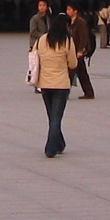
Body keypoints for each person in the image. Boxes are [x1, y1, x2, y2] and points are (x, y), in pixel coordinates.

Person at [34, 12, 78, 158]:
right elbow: (73, 63)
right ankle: (50, 148)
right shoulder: (67, 41)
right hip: (61, 84)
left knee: (52, 116)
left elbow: (35, 55)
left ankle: (60, 143)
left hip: (45, 83)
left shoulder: (42, 39)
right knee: (56, 118)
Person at [65, 1, 95, 99]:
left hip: (78, 51)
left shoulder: (80, 22)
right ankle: (89, 92)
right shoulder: (71, 21)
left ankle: (64, 92)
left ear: (75, 11)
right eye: (67, 9)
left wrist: (81, 50)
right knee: (81, 73)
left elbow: (84, 37)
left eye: (69, 9)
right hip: (73, 50)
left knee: (71, 71)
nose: (67, 11)